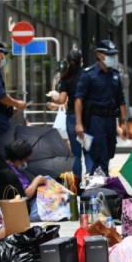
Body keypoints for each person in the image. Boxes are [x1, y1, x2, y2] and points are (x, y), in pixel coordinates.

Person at [75, 40, 128, 174]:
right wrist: (79, 123)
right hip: (95, 120)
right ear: (99, 55)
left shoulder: (115, 75)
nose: (112, 57)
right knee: (100, 155)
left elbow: (121, 101)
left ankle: (97, 181)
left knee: (109, 153)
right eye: (108, 54)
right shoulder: (89, 75)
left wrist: (124, 123)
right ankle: (101, 185)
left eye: (113, 54)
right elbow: (79, 100)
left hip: (110, 120)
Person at [49, 49, 93, 179]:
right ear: (82, 61)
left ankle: (77, 184)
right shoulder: (88, 76)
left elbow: (61, 100)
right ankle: (90, 181)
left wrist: (53, 97)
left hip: (72, 117)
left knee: (75, 153)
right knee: (88, 151)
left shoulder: (66, 78)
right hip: (87, 117)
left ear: (68, 63)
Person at [4, 140, 46, 221]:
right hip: (22, 207)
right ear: (21, 159)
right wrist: (36, 181)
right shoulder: (11, 172)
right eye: (26, 161)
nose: (26, 164)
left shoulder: (13, 168)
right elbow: (26, 194)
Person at [0, 42, 26, 137]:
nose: (4, 57)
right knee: (7, 144)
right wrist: (17, 103)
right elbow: (1, 96)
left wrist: (10, 110)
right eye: (3, 54)